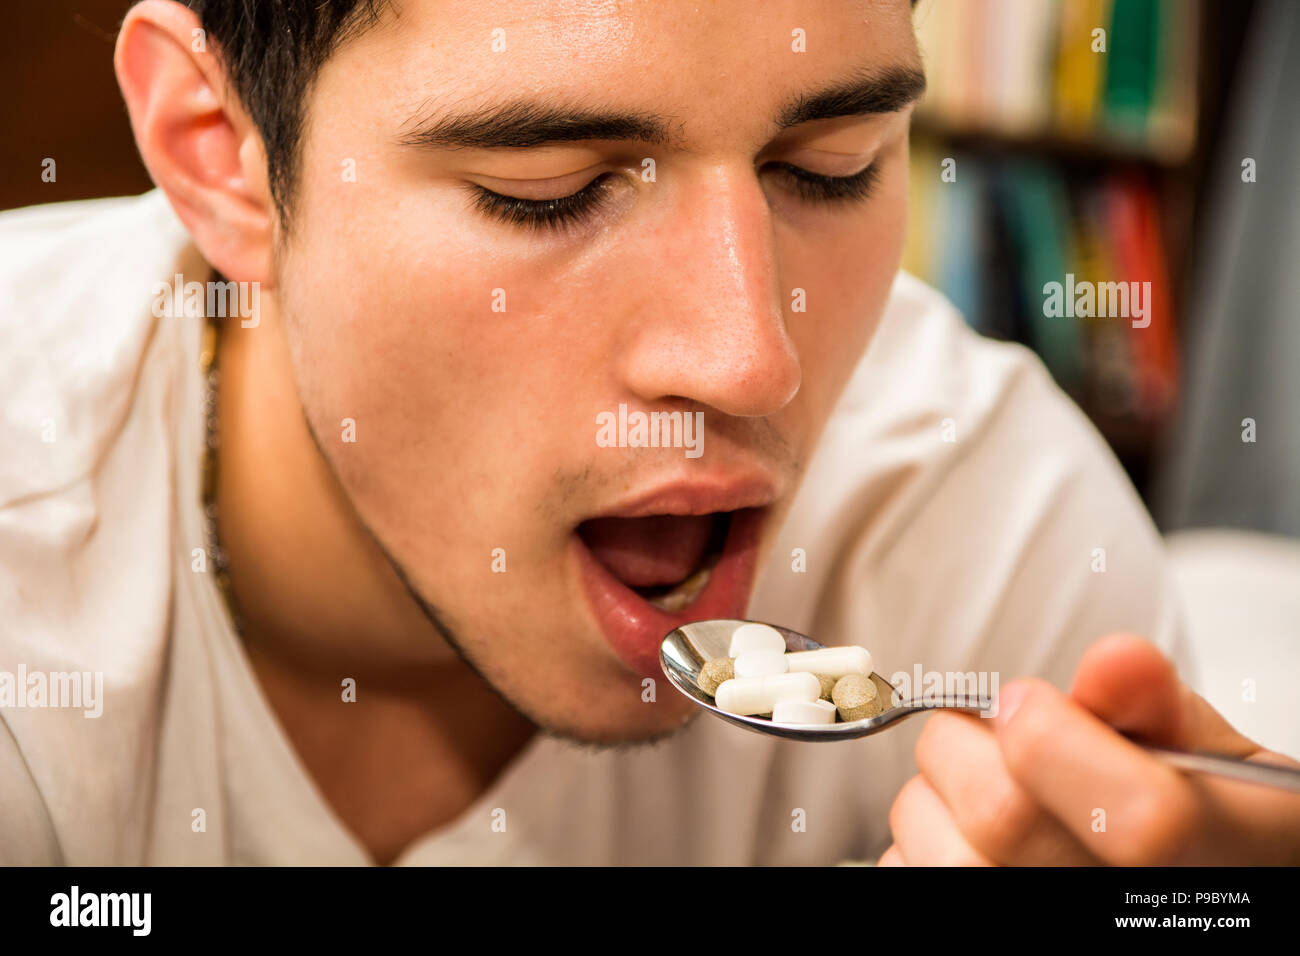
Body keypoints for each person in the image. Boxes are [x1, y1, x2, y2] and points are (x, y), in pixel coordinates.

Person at [1, 0, 1296, 865]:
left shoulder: (984, 526)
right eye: (547, 195)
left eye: (830, 166)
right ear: (220, 154)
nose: (751, 359)